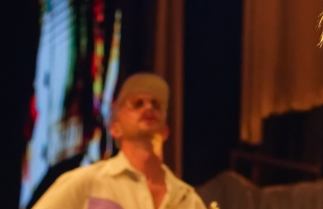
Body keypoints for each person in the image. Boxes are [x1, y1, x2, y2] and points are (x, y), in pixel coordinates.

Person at [32, 73, 207, 209]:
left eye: (156, 105)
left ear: (166, 131)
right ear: (115, 128)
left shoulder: (188, 200)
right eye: (137, 103)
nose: (149, 107)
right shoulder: (87, 182)